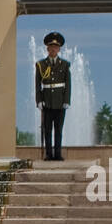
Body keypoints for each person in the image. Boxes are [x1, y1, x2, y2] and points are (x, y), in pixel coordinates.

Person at [36, 31, 71, 161]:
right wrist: (39, 101)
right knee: (47, 130)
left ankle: (58, 154)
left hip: (60, 101)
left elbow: (68, 85)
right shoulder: (41, 65)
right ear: (47, 48)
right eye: (51, 47)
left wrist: (66, 100)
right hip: (47, 102)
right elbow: (37, 85)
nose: (53, 49)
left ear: (59, 49)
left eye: (56, 47)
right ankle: (48, 154)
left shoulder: (65, 65)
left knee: (58, 130)